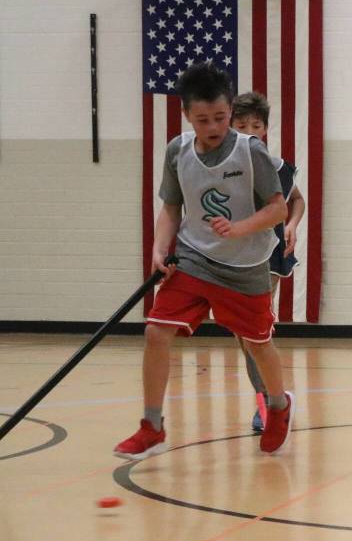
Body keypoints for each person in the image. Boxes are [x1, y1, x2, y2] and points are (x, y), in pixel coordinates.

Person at [113, 62, 294, 460]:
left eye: (220, 117)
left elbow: (278, 209)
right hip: (194, 257)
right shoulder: (177, 151)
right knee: (156, 332)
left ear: (230, 109)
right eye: (203, 119)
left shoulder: (251, 151)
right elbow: (171, 207)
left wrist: (240, 227)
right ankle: (152, 425)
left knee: (258, 344)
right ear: (186, 115)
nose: (213, 126)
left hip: (244, 265)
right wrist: (159, 248)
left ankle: (279, 405)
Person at [230, 91, 307, 433]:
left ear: (265, 129)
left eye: (255, 125)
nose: (249, 131)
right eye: (241, 125)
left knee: (254, 330)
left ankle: (268, 402)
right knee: (243, 333)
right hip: (231, 254)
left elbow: (298, 201)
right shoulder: (221, 167)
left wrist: (291, 225)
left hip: (269, 253)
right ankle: (270, 397)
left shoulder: (276, 167)